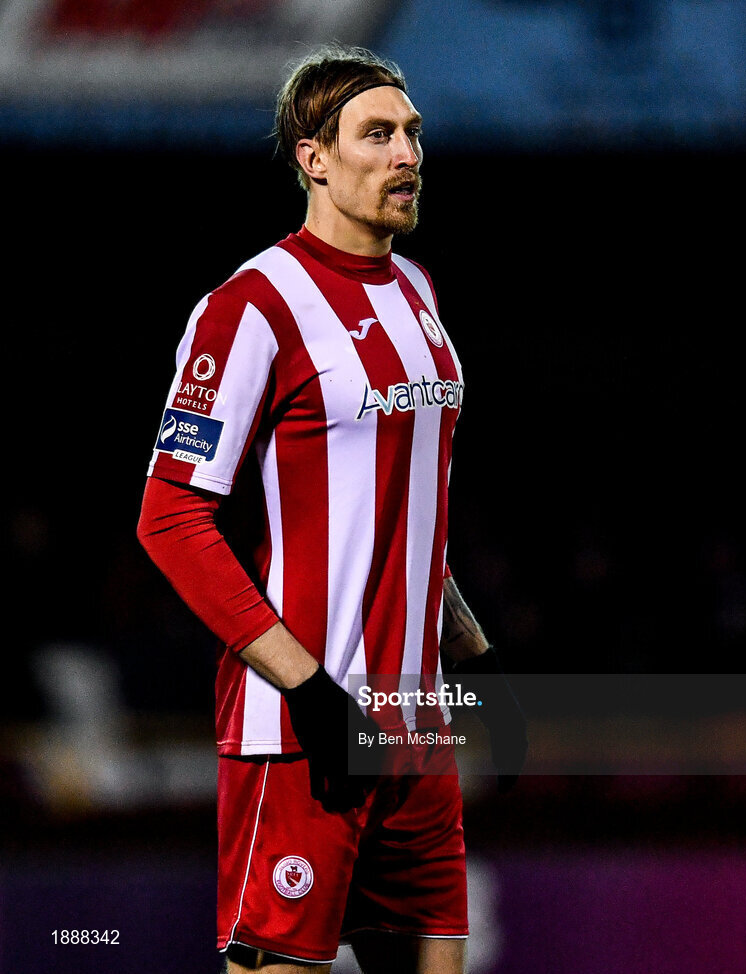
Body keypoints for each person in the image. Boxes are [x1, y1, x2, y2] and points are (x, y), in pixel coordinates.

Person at [137, 43, 527, 974]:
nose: (408, 155)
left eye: (414, 135)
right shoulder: (251, 307)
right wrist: (309, 694)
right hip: (302, 738)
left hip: (416, 733)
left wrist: (476, 654)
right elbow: (170, 518)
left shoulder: (420, 293)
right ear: (314, 156)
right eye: (379, 134)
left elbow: (401, 515)